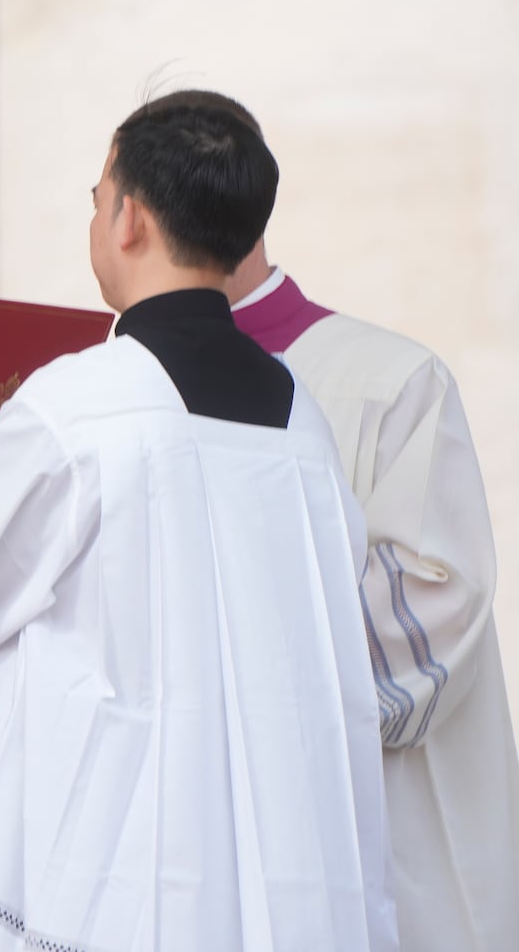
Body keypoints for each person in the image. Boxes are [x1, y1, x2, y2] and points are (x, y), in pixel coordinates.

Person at [0, 92, 397, 951]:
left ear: (129, 219)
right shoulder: (302, 425)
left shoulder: (86, 403)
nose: (97, 216)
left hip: (119, 867)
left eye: (98, 196)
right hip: (270, 870)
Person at [222, 99, 519, 951]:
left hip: (387, 866)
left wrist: (209, 637)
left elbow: (435, 608)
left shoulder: (388, 381)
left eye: (104, 198)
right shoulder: (120, 398)